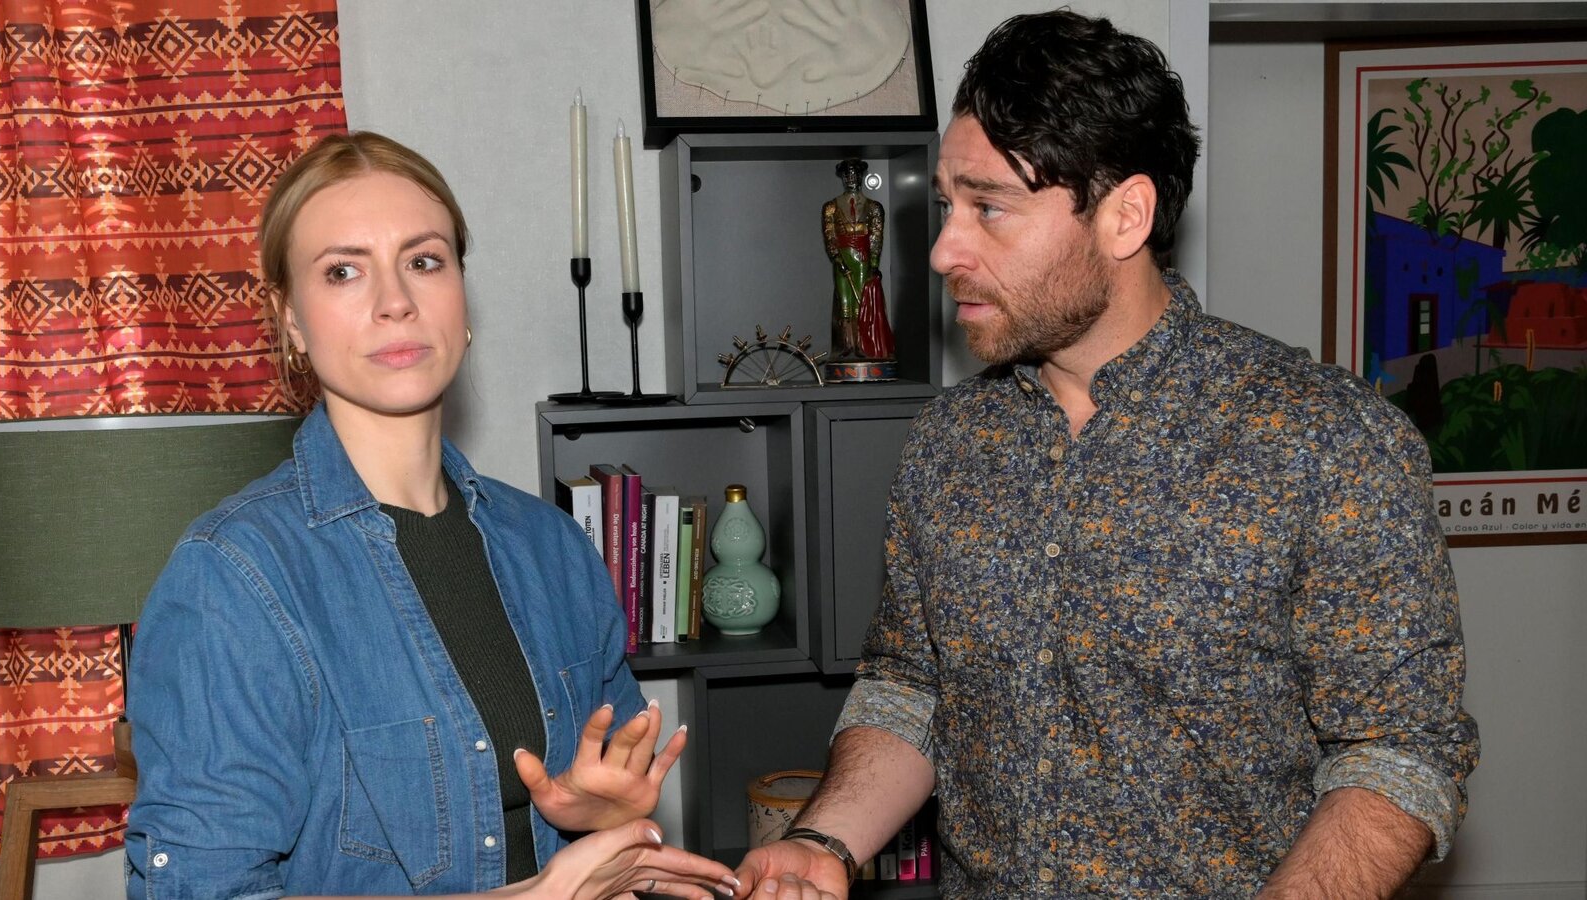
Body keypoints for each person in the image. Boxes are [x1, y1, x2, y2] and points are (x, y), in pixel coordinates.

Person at [736, 11, 1479, 898]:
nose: (942, 250)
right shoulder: (946, 446)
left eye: (989, 208)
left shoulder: (1327, 440)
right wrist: (826, 841)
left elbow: (1400, 750)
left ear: (1125, 216)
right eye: (946, 205)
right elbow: (910, 685)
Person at [123, 132, 737, 899]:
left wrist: (604, 821)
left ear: (462, 298)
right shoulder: (231, 580)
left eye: (423, 261)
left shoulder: (552, 545)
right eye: (343, 271)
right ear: (292, 321)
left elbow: (600, 852)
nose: (396, 301)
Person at [821, 158, 894, 362]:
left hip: (862, 257)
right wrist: (837, 258)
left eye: (855, 174)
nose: (851, 178)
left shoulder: (874, 207)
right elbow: (830, 235)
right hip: (842, 257)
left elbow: (876, 237)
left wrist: (873, 264)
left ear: (861, 177)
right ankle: (847, 344)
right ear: (842, 178)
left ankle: (863, 344)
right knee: (844, 301)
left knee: (861, 302)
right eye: (847, 174)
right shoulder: (831, 207)